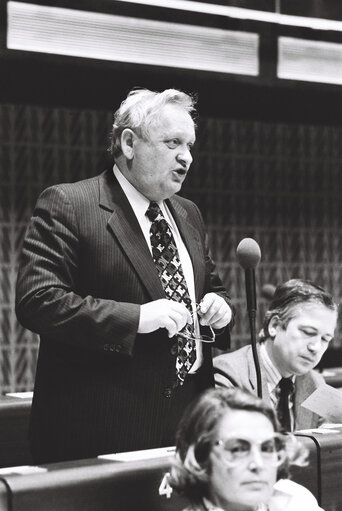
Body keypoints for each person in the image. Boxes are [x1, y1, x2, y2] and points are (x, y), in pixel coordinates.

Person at [15, 88, 234, 464]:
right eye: (173, 143)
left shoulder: (187, 213)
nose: (187, 156)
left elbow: (208, 287)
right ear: (129, 143)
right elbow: (39, 301)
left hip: (188, 424)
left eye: (190, 145)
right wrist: (136, 318)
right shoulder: (70, 204)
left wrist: (220, 308)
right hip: (103, 431)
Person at [168, 387, 324, 511]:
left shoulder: (297, 502)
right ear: (200, 458)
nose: (258, 464)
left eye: (267, 448)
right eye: (237, 449)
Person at [214, 279, 338, 431]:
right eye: (308, 332)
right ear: (274, 326)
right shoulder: (228, 375)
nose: (316, 347)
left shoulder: (315, 383)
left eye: (325, 339)